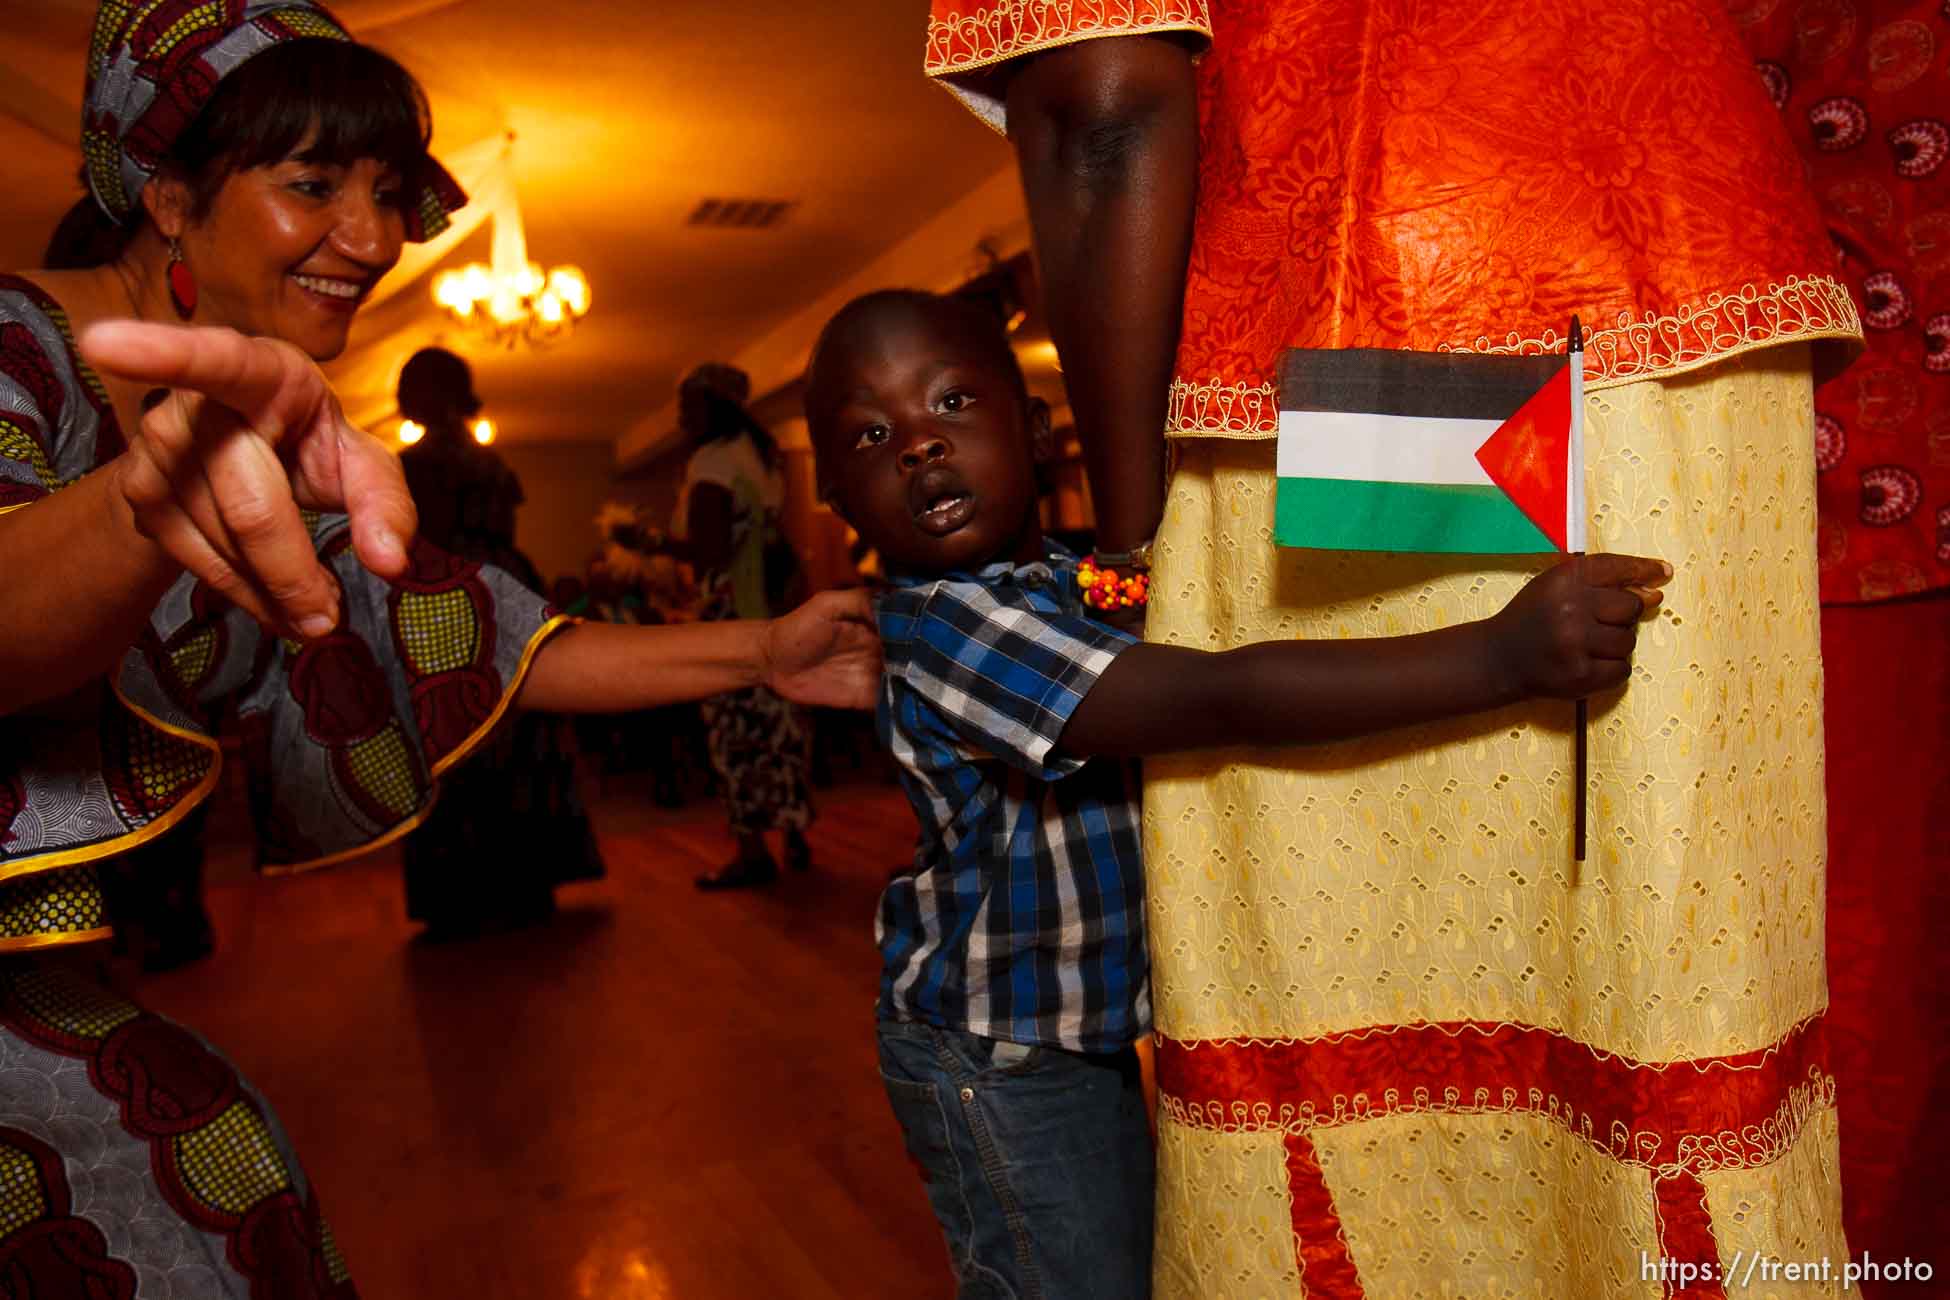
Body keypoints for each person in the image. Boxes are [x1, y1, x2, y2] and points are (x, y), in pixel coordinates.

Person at [922, 2, 1865, 1290]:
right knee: (1667, 974)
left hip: (1302, 336)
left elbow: (1105, 102)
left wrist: (1131, 532)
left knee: (1318, 996)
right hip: (1689, 284)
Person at [0, 2, 877, 1291]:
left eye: (388, 195)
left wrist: (766, 651)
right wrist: (145, 497)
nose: (372, 241)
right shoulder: (18, 346)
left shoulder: (268, 432)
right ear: (171, 200)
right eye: (313, 186)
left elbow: (466, 625)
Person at [803, 289, 1671, 1297]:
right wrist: (1501, 658)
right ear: (835, 492)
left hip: (1071, 1028)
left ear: (1038, 433)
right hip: (995, 1055)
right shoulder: (950, 626)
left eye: (952, 403)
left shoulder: (1058, 575)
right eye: (873, 433)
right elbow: (1217, 696)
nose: (916, 445)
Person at [395, 346, 606, 937]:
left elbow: (420, 545)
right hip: (507, 593)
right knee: (517, 738)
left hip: (446, 603)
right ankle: (527, 883)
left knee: (456, 740)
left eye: (408, 385)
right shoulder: (491, 463)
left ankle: (458, 897)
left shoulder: (417, 465)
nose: (398, 398)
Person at [658, 362, 815, 889]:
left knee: (732, 733)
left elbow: (711, 550)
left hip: (727, 615)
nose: (681, 417)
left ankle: (752, 851)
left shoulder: (710, 462)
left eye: (687, 405)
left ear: (710, 404)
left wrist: (656, 545)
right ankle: (795, 837)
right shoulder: (763, 458)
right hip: (768, 609)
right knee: (778, 723)